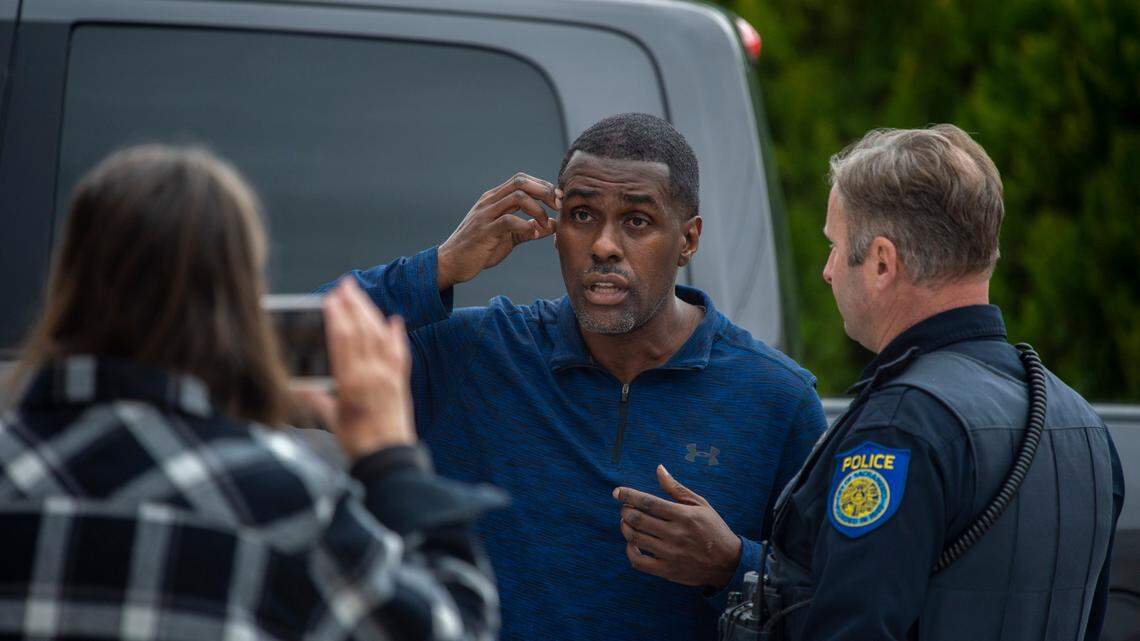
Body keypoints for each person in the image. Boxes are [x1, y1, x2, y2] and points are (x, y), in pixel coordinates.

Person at [320, 113, 828, 641]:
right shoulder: (476, 353)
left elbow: (835, 604)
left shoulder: (777, 399)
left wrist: (732, 565)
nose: (604, 245)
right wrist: (440, 266)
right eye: (583, 214)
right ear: (557, 230)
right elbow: (269, 354)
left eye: (637, 221)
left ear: (688, 240)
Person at [0, 145, 504, 641]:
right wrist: (388, 456)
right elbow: (453, 626)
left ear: (66, 280)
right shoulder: (285, 502)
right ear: (240, 302)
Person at [748, 125, 1125, 640]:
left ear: (882, 261)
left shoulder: (901, 426)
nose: (828, 270)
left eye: (834, 246)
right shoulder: (1082, 425)